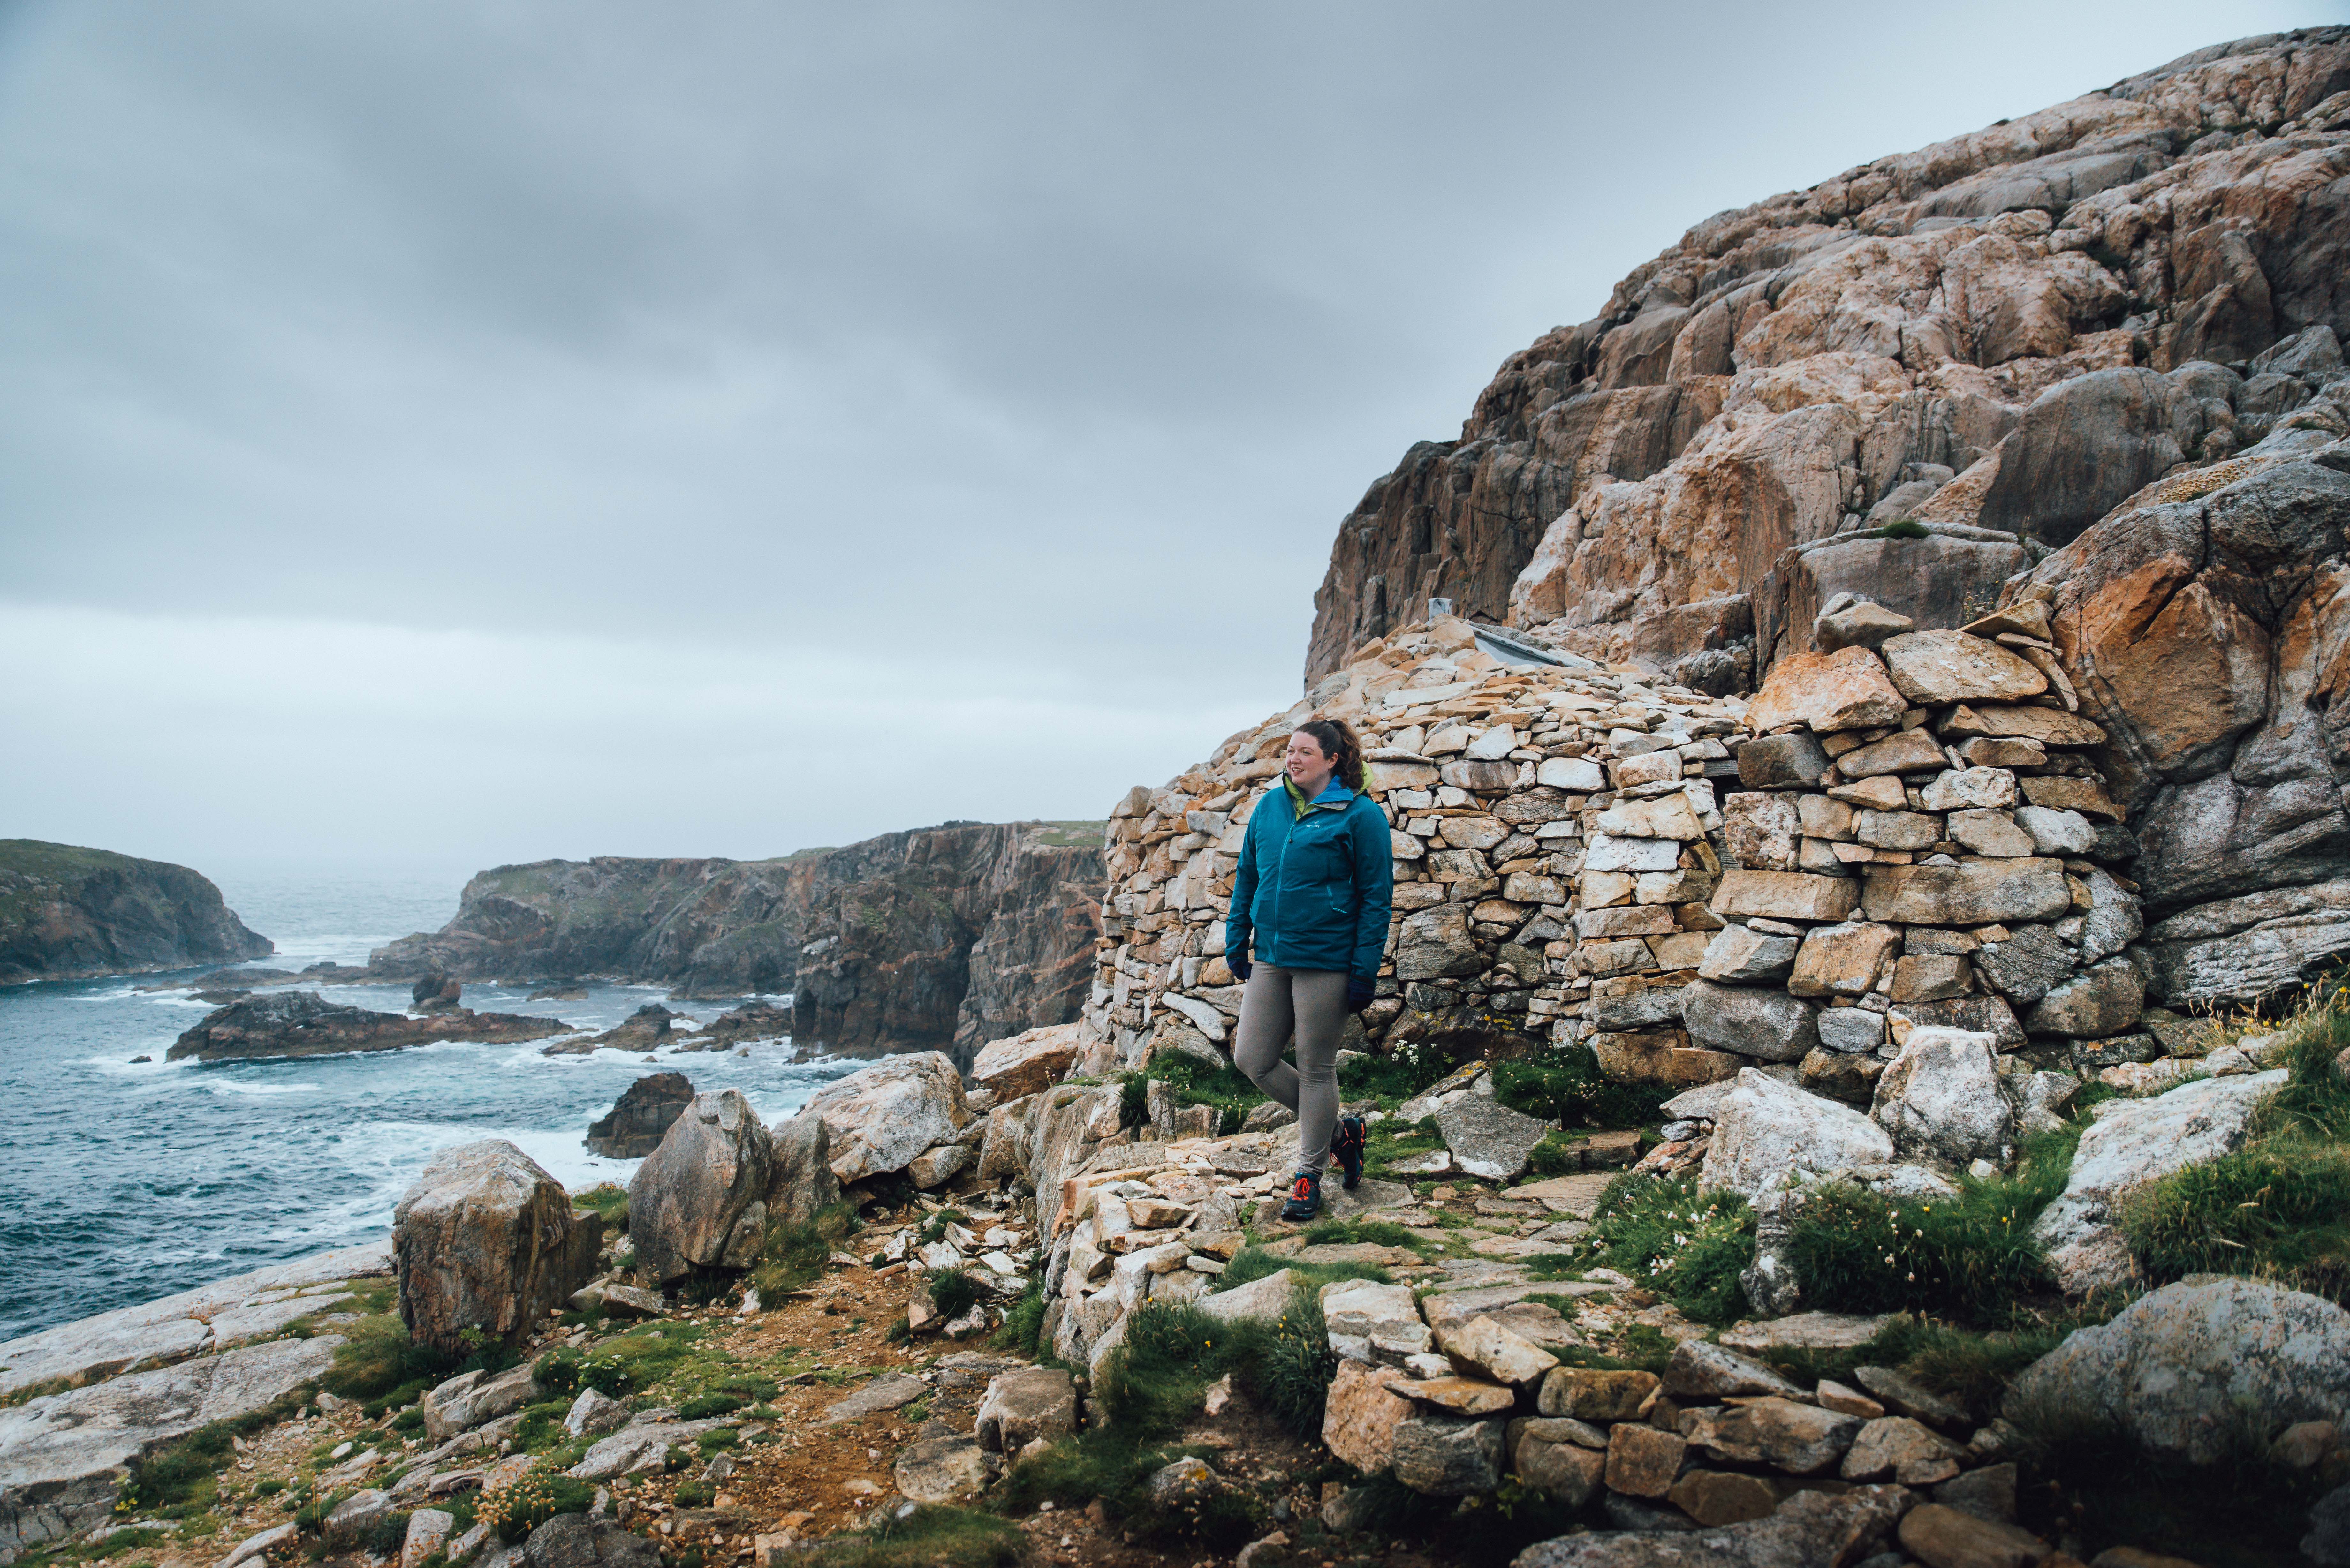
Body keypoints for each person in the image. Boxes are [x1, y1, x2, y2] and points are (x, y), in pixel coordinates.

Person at [1226, 717, 1394, 1221]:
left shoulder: (1361, 816)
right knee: (1252, 1058)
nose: (1292, 760)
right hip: (1273, 955)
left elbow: (1376, 900)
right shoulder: (1271, 806)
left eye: (1303, 752)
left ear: (1333, 759)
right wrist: (1238, 938)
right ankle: (1343, 1135)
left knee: (1318, 1067)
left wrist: (1364, 969)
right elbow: (1248, 876)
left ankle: (1308, 1176)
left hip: (1327, 959)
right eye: (1290, 752)